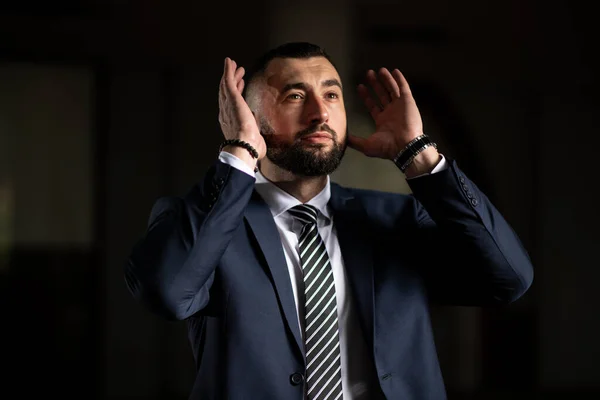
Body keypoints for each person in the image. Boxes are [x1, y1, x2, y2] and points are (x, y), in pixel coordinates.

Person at [124, 42, 534, 400]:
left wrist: (419, 153)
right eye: (295, 96)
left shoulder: (398, 221)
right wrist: (239, 152)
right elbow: (167, 293)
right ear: (249, 116)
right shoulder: (199, 222)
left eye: (332, 95)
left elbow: (508, 279)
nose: (320, 114)